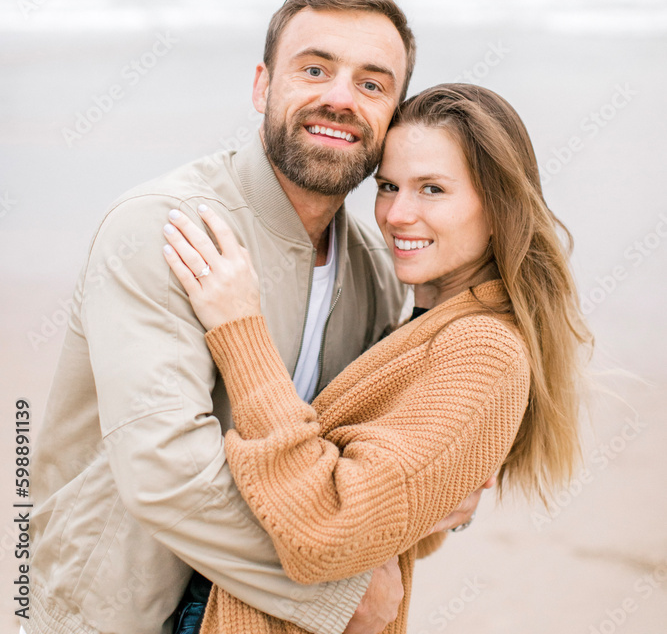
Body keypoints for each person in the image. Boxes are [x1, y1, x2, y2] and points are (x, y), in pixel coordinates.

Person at [27, 0, 484, 634]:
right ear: (261, 86)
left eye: (372, 84)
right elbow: (165, 472)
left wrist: (437, 488)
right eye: (315, 69)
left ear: (391, 119)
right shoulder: (164, 230)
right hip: (109, 615)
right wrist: (337, 593)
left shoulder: (377, 277)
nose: (339, 97)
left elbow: (361, 465)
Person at [161, 82, 593, 634]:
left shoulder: (484, 349)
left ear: (498, 206)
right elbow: (378, 506)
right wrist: (430, 510)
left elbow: (328, 530)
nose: (396, 214)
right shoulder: (427, 322)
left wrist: (239, 328)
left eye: (432, 189)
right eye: (388, 186)